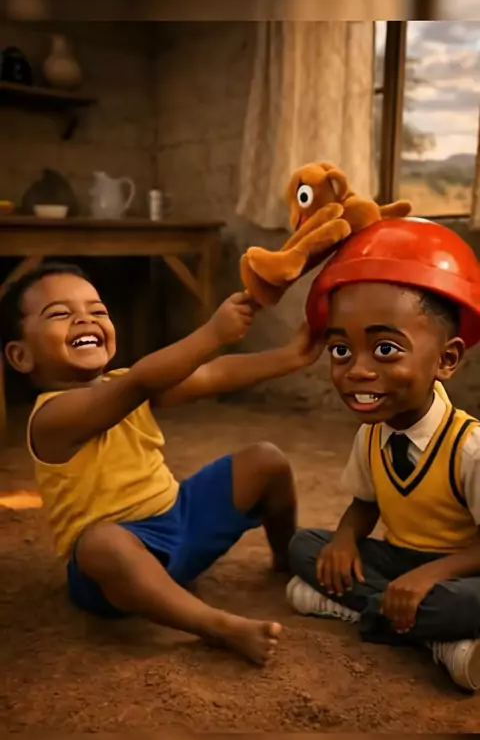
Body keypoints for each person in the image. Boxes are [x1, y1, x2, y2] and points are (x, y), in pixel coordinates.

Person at [0, 261, 323, 665]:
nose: (85, 319)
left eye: (97, 310)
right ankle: (217, 625)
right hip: (119, 570)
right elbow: (141, 381)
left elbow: (212, 375)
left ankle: (287, 560)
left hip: (181, 521)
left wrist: (290, 356)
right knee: (99, 545)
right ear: (21, 355)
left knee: (265, 460)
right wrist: (212, 333)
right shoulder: (51, 419)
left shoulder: (126, 383)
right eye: (60, 313)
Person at [287, 218, 480, 691]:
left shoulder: (470, 448)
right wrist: (344, 540)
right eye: (340, 350)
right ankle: (431, 638)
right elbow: (364, 504)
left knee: (461, 602)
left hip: (458, 572)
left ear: (447, 360)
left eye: (386, 349)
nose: (358, 370)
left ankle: (373, 613)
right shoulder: (371, 435)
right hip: (397, 561)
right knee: (304, 546)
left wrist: (431, 575)